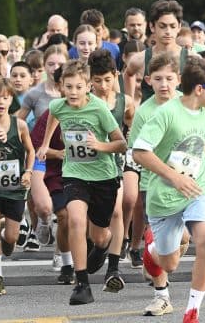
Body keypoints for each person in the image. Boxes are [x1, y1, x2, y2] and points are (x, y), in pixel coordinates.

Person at [133, 58, 205, 323]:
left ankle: (192, 310)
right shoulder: (166, 113)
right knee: (168, 263)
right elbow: (139, 152)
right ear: (200, 89)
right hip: (165, 196)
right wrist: (173, 177)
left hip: (198, 187)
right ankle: (152, 249)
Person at [38, 59, 127, 306]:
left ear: (88, 86)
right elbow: (53, 116)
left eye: (78, 87)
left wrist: (100, 146)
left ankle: (103, 246)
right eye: (69, 87)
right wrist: (46, 143)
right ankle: (82, 284)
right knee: (76, 219)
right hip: (75, 173)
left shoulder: (99, 109)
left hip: (103, 177)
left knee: (99, 236)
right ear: (61, 87)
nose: (73, 92)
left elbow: (121, 143)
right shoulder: (58, 105)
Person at [126, 52, 181, 316]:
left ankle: (168, 254)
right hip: (155, 185)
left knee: (182, 240)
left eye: (169, 78)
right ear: (148, 80)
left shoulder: (188, 104)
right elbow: (135, 151)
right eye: (158, 79)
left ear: (178, 79)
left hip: (189, 184)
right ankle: (162, 296)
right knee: (155, 240)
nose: (164, 84)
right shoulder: (144, 112)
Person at [87, 49, 135, 293]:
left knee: (117, 212)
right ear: (90, 79)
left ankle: (113, 269)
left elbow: (131, 126)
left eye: (107, 79)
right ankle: (99, 246)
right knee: (97, 229)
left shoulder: (125, 102)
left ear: (116, 75)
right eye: (97, 81)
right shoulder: (84, 100)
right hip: (87, 167)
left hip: (115, 164)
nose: (103, 85)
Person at [0, 76, 34, 297]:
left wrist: (29, 172)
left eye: (5, 97)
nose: (0, 102)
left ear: (11, 98)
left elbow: (30, 151)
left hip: (15, 187)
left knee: (10, 237)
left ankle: (10, 240)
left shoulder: (19, 124)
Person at [18, 44, 69, 252]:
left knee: (68, 214)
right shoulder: (36, 95)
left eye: (60, 64)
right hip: (41, 152)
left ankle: (64, 254)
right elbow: (19, 121)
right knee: (42, 204)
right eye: (51, 63)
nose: (55, 67)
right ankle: (40, 223)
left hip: (69, 160)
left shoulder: (86, 105)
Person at [126, 0, 192, 102]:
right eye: (162, 26)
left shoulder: (191, 59)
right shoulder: (140, 59)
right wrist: (130, 102)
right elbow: (128, 74)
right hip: (149, 116)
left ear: (179, 26)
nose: (168, 31)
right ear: (152, 26)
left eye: (172, 26)